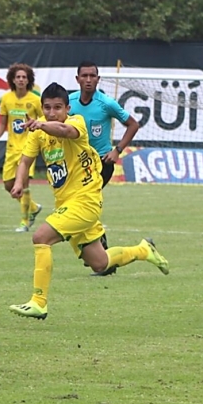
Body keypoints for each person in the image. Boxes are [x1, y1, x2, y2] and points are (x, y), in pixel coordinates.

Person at [8, 83, 169, 320]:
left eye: (57, 108)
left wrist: (42, 123)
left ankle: (38, 302)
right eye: (47, 108)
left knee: (41, 237)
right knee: (99, 263)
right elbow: (24, 161)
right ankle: (143, 250)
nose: (52, 113)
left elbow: (64, 131)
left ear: (67, 108)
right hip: (66, 202)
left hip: (85, 201)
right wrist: (20, 183)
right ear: (42, 107)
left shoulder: (76, 122)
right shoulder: (39, 133)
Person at [69, 61, 140, 276]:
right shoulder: (69, 101)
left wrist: (118, 149)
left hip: (101, 163)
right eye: (84, 76)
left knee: (83, 202)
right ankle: (97, 252)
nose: (88, 80)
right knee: (80, 203)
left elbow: (133, 124)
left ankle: (101, 254)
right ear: (77, 79)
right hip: (77, 164)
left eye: (92, 76)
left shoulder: (107, 103)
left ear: (98, 79)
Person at [0, 63, 43, 232]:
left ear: (29, 80)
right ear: (12, 79)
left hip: (28, 148)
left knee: (23, 185)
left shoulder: (35, 100)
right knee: (8, 185)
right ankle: (32, 207)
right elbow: (3, 123)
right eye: (18, 77)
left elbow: (43, 120)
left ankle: (25, 222)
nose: (21, 80)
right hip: (11, 148)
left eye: (24, 77)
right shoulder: (6, 99)